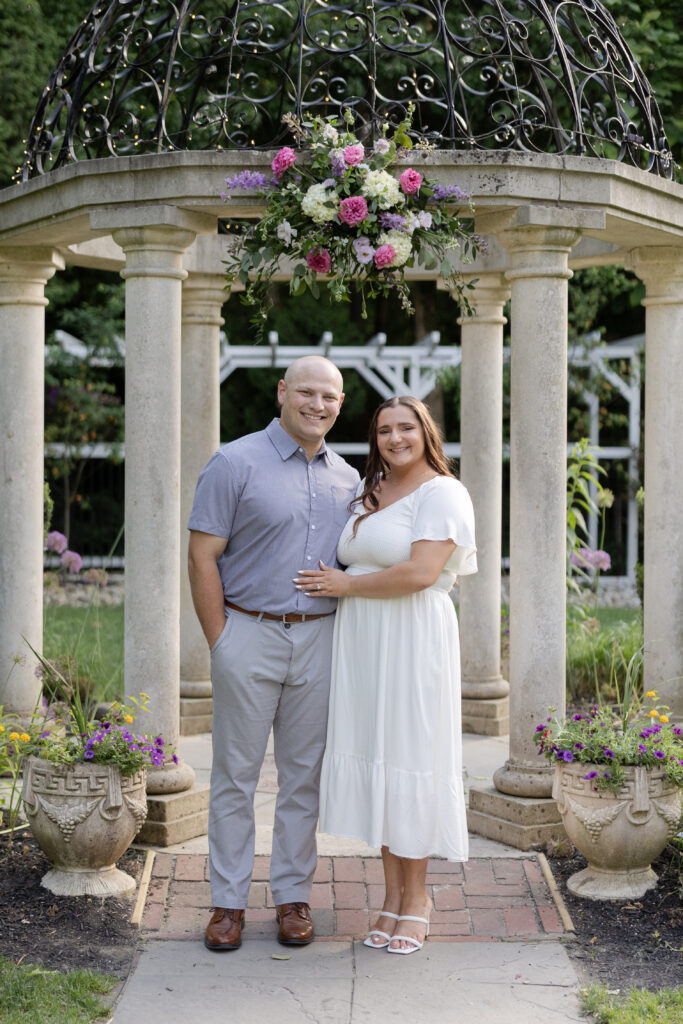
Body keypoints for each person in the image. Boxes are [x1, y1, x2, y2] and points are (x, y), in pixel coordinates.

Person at [187, 356, 359, 951]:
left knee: (303, 778)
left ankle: (292, 898)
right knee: (235, 776)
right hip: (248, 633)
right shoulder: (234, 462)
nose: (317, 404)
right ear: (283, 392)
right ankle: (228, 904)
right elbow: (202, 554)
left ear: (340, 405)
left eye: (329, 397)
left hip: (320, 640)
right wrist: (222, 639)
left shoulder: (350, 479)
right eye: (307, 391)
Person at [294, 395, 477, 955]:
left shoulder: (442, 492)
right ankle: (392, 896)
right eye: (383, 430)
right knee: (380, 761)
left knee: (410, 759)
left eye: (406, 428)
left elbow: (422, 572)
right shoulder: (369, 492)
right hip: (365, 642)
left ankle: (418, 899)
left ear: (426, 433)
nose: (395, 439)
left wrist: (346, 585)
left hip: (412, 637)